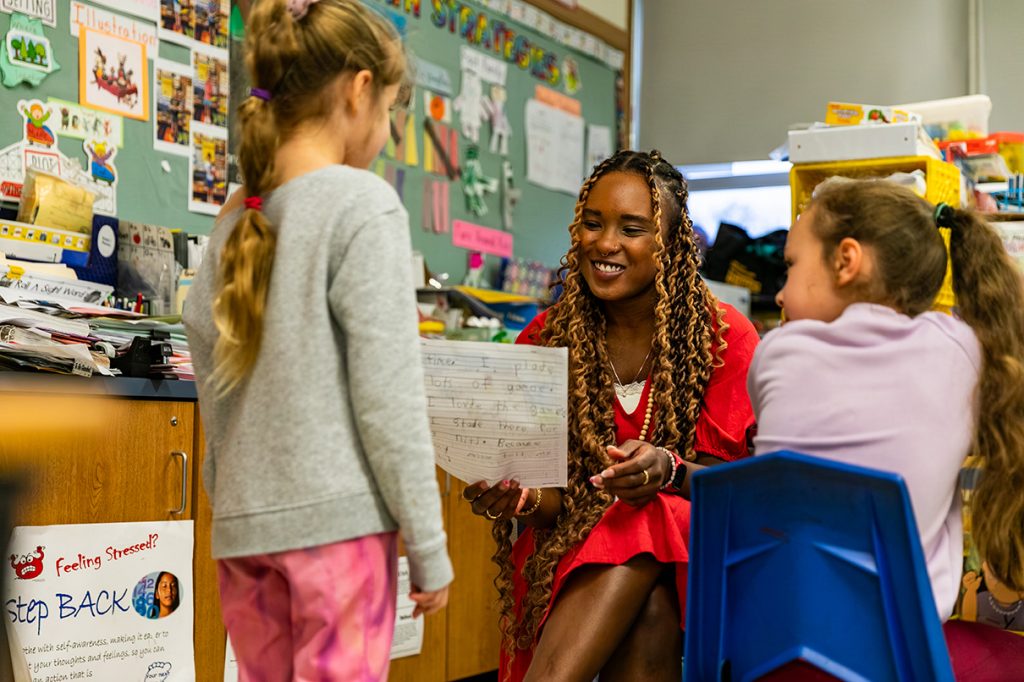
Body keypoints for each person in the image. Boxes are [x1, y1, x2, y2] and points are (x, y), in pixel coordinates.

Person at [182, 0, 452, 679]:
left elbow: (205, 356)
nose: (386, 131)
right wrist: (428, 545)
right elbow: (389, 401)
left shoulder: (236, 215)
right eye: (389, 110)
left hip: (245, 534)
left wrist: (231, 495)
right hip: (338, 533)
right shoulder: (362, 205)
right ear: (358, 91)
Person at [464, 150, 759, 681]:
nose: (605, 243)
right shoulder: (546, 339)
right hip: (573, 556)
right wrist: (524, 498)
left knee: (646, 510)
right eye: (593, 223)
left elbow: (728, 489)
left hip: (699, 560)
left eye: (632, 228)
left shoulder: (724, 338)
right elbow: (554, 505)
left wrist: (666, 469)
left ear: (670, 243)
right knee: (649, 613)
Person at [749, 179, 1024, 675]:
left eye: (790, 265)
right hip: (896, 657)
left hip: (772, 648)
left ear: (846, 260)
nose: (781, 293)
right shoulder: (958, 351)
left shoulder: (773, 354)